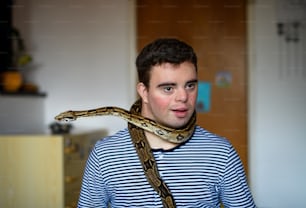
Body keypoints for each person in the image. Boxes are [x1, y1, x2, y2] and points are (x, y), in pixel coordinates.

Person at [77, 38, 256, 207]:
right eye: (168, 88)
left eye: (190, 85)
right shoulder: (105, 155)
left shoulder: (221, 153)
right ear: (144, 92)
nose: (184, 97)